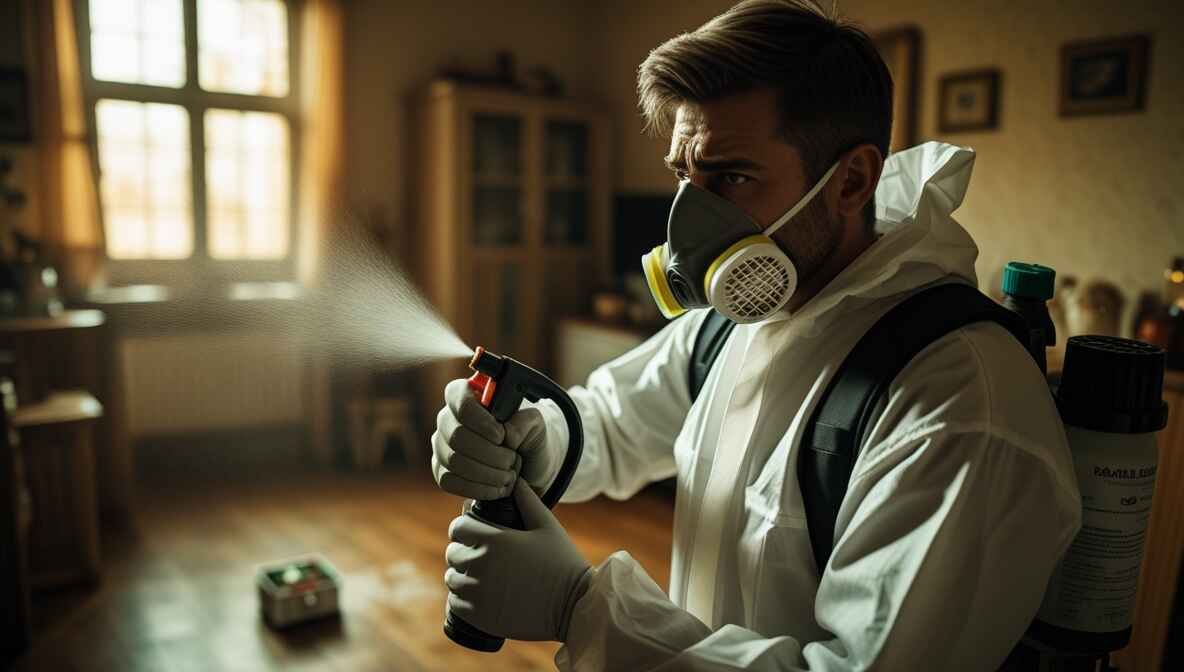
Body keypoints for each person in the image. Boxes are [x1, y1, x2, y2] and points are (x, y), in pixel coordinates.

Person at [432, 1, 1081, 669]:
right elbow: (616, 420)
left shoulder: (958, 402)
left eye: (732, 177)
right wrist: (530, 442)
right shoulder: (740, 319)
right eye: (684, 175)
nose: (691, 219)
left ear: (851, 180)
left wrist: (582, 609)